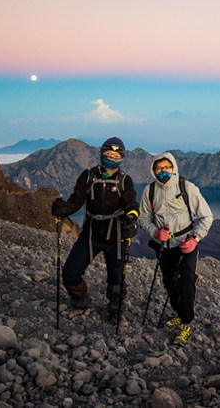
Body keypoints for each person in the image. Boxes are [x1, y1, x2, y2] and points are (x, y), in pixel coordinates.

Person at [51, 137, 139, 321]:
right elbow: (76, 200)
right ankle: (81, 302)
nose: (111, 157)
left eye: (116, 154)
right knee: (70, 272)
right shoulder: (88, 176)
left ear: (121, 157)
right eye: (108, 153)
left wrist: (131, 220)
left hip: (115, 236)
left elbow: (131, 205)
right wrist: (63, 209)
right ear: (101, 153)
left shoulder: (125, 181)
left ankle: (115, 309)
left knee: (117, 278)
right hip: (90, 235)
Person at [138, 152, 213, 346]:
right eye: (159, 168)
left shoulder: (186, 187)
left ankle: (186, 322)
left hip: (186, 243)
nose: (163, 171)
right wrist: (155, 232)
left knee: (186, 279)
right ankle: (179, 313)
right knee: (170, 282)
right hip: (164, 245)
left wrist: (195, 239)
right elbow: (143, 218)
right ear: (154, 170)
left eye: (167, 168)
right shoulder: (150, 191)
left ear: (174, 168)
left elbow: (206, 217)